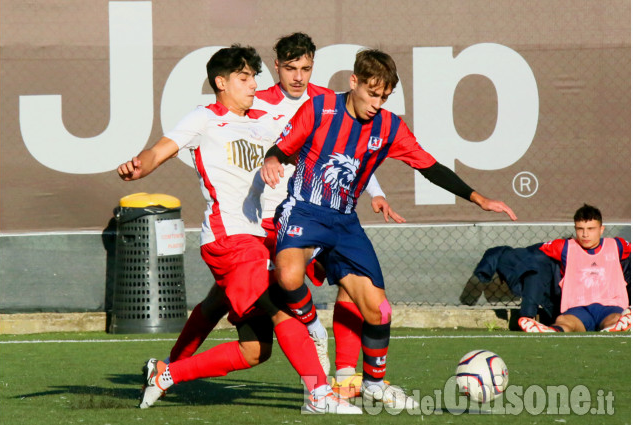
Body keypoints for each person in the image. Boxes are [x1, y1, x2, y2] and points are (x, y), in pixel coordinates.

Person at [261, 48, 517, 409]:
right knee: (288, 276)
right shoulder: (319, 109)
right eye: (371, 93)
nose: (376, 103)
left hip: (345, 223)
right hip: (305, 210)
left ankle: (374, 385)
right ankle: (312, 327)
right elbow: (282, 148)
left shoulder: (389, 126)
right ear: (354, 82)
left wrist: (479, 198)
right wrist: (272, 158)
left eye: (384, 97)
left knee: (379, 311)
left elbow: (429, 166)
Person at [117, 44, 361, 414]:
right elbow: (160, 150)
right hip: (229, 238)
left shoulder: (265, 119)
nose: (252, 85)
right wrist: (141, 166)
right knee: (284, 307)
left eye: (253, 78)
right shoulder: (205, 118)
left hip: (261, 236)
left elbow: (307, 148)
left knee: (255, 350)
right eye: (243, 78)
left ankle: (166, 372)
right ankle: (318, 393)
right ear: (221, 82)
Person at [167, 33, 402, 398]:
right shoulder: (254, 102)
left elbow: (351, 153)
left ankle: (343, 375)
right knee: (227, 301)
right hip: (265, 220)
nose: (298, 76)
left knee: (349, 281)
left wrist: (378, 193)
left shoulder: (328, 100)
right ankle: (173, 367)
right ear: (276, 66)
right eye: (290, 68)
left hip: (313, 213)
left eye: (306, 68)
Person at [518, 204, 631, 333]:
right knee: (563, 321)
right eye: (580, 229)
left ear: (601, 229)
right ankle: (551, 331)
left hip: (610, 306)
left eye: (591, 229)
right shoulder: (565, 247)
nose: (585, 234)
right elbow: (534, 253)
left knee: (615, 319)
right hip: (578, 308)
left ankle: (615, 327)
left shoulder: (617, 245)